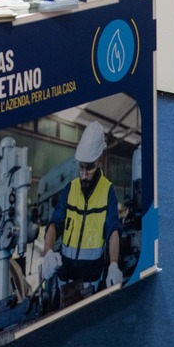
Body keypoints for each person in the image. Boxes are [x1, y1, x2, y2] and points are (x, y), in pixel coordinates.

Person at [41, 121, 123, 291]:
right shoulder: (70, 189)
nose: (84, 175)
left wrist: (113, 264)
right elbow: (54, 223)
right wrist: (48, 252)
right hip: (65, 281)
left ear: (100, 160)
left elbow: (113, 230)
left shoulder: (108, 191)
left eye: (89, 168)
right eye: (81, 167)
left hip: (90, 283)